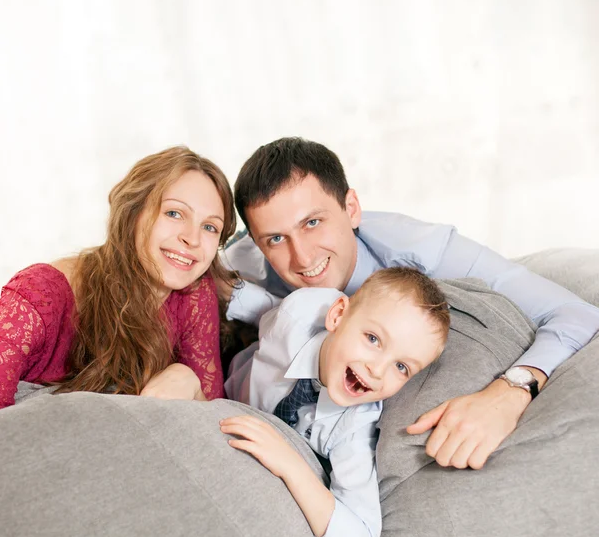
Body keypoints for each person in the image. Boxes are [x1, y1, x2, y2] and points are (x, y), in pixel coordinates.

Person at [223, 136, 599, 470]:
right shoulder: (242, 265)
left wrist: (508, 393)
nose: (303, 257)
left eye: (312, 223)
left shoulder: (424, 252)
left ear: (351, 208)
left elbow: (576, 314)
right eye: (275, 239)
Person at [220, 267, 449, 537]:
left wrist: (290, 465)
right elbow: (265, 309)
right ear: (337, 316)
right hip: (223, 386)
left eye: (402, 367)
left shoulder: (355, 427)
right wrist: (228, 292)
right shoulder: (297, 314)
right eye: (372, 338)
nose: (377, 369)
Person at [0, 146, 237, 410]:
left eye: (209, 227)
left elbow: (214, 429)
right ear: (132, 214)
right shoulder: (40, 293)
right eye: (174, 213)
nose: (192, 239)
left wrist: (190, 382)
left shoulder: (194, 292)